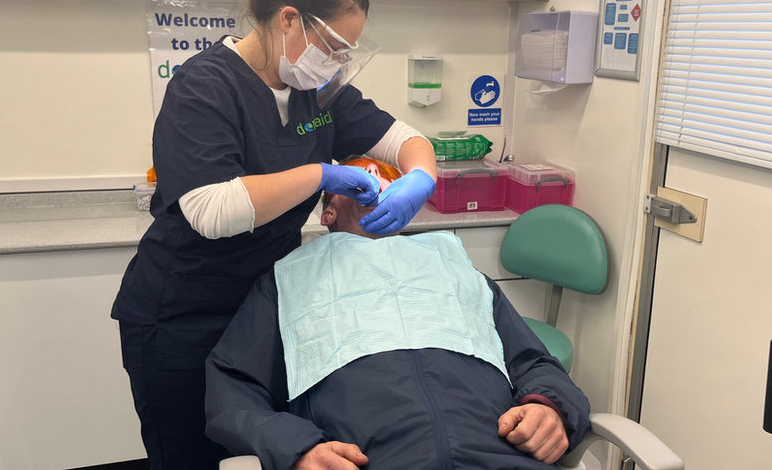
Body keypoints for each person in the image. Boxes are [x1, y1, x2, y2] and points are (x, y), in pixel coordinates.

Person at [111, 0, 438, 470]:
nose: (337, 62)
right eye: (333, 47)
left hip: (262, 310)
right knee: (189, 454)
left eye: (346, 52)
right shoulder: (204, 86)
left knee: (268, 450)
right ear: (288, 20)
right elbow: (212, 210)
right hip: (181, 317)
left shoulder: (319, 93)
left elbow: (404, 139)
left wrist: (420, 177)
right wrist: (320, 173)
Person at [205, 158, 591, 470]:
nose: (373, 176)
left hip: (498, 452)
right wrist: (298, 449)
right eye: (355, 175)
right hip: (371, 459)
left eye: (386, 174)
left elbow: (533, 361)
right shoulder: (288, 279)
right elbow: (234, 390)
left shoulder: (453, 266)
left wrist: (550, 406)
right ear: (328, 214)